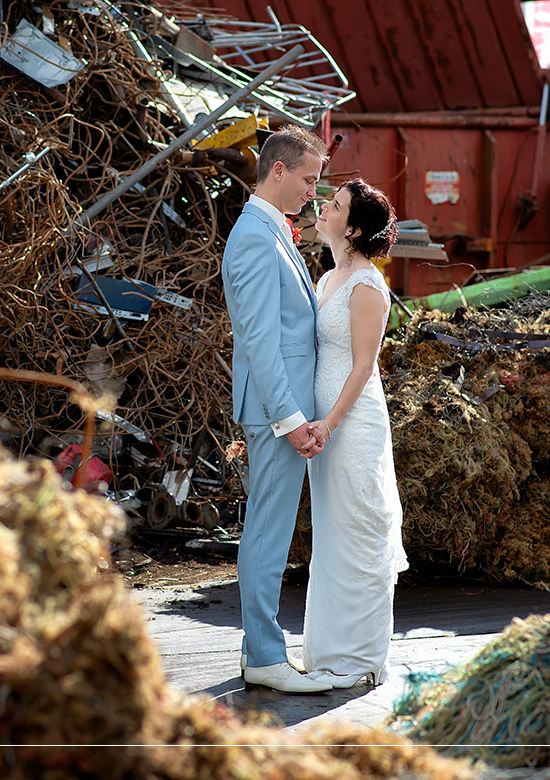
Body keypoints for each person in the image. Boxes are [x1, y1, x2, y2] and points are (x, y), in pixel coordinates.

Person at [221, 125, 331, 695]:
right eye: (309, 179)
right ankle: (264, 656)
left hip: (278, 407)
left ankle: (259, 649)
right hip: (274, 411)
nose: (314, 190)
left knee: (270, 525)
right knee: (268, 529)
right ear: (279, 171)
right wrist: (290, 420)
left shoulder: (272, 231)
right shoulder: (254, 237)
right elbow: (261, 341)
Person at [298, 178, 409, 689]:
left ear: (355, 228)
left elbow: (364, 366)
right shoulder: (326, 280)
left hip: (352, 422)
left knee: (360, 528)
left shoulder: (367, 285)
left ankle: (360, 658)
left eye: (335, 205)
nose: (324, 206)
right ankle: (326, 651)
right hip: (323, 424)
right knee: (331, 532)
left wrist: (329, 422)